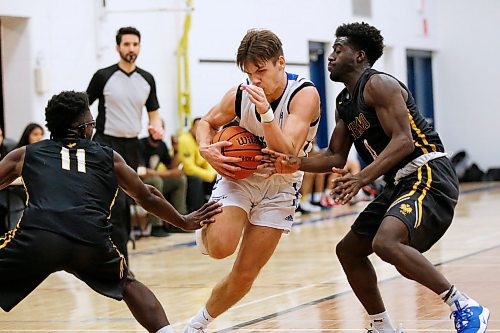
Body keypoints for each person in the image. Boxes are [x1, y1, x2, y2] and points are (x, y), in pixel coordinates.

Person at [261, 22, 489, 333]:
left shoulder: (378, 84)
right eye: (330, 51)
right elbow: (335, 157)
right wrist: (293, 162)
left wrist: (360, 179)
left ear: (359, 56)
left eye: (338, 50)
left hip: (428, 172)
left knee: (386, 242)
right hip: (398, 182)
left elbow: (403, 141)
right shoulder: (344, 103)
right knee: (349, 251)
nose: (330, 57)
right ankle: (382, 326)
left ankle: (464, 304)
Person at [0, 91, 222, 333]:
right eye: (91, 122)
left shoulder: (25, 154)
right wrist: (183, 220)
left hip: (40, 237)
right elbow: (146, 195)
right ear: (84, 128)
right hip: (90, 239)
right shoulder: (109, 157)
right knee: (127, 283)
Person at [183, 29, 320, 333]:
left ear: (280, 62)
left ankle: (196, 325)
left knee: (245, 274)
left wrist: (266, 114)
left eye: (261, 70)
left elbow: (287, 153)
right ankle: (208, 232)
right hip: (240, 179)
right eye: (249, 72)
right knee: (220, 248)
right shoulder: (239, 94)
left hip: (281, 186)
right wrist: (207, 150)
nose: (255, 79)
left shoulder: (304, 95)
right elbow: (205, 122)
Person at [86, 26, 164, 262]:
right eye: (127, 44)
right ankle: (120, 262)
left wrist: (156, 127)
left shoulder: (147, 78)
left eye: (135, 44)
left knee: (130, 201)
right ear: (118, 46)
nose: (131, 49)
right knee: (116, 203)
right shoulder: (103, 76)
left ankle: (116, 257)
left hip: (132, 146)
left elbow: (153, 113)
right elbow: (83, 106)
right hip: (105, 143)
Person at [139, 124, 188, 236]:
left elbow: (172, 167)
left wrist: (176, 150)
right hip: (139, 184)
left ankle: (178, 222)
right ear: (149, 130)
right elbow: (142, 172)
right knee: (156, 181)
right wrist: (170, 173)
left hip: (156, 182)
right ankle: (156, 226)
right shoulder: (140, 144)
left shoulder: (162, 145)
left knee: (180, 179)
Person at [177, 117, 217, 212]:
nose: (200, 131)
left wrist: (214, 174)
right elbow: (188, 168)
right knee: (196, 180)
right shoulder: (185, 140)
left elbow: (207, 162)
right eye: (197, 128)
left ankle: (213, 210)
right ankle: (195, 212)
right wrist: (209, 175)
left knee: (217, 180)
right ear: (191, 128)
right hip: (179, 172)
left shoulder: (202, 140)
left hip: (195, 172)